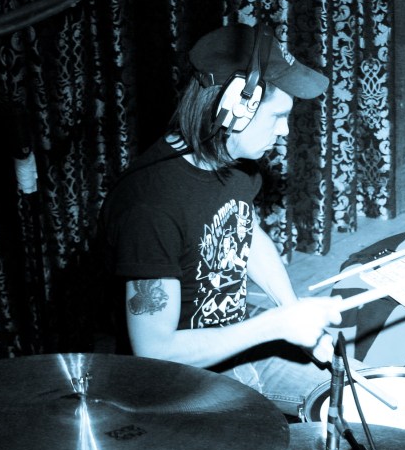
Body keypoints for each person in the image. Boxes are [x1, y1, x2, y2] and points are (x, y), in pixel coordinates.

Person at [97, 22, 344, 417]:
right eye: (277, 116)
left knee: (358, 393)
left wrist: (292, 314)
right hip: (176, 381)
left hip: (235, 336)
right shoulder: (149, 207)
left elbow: (246, 232)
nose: (284, 131)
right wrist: (276, 325)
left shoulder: (235, 161)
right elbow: (155, 350)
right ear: (233, 108)